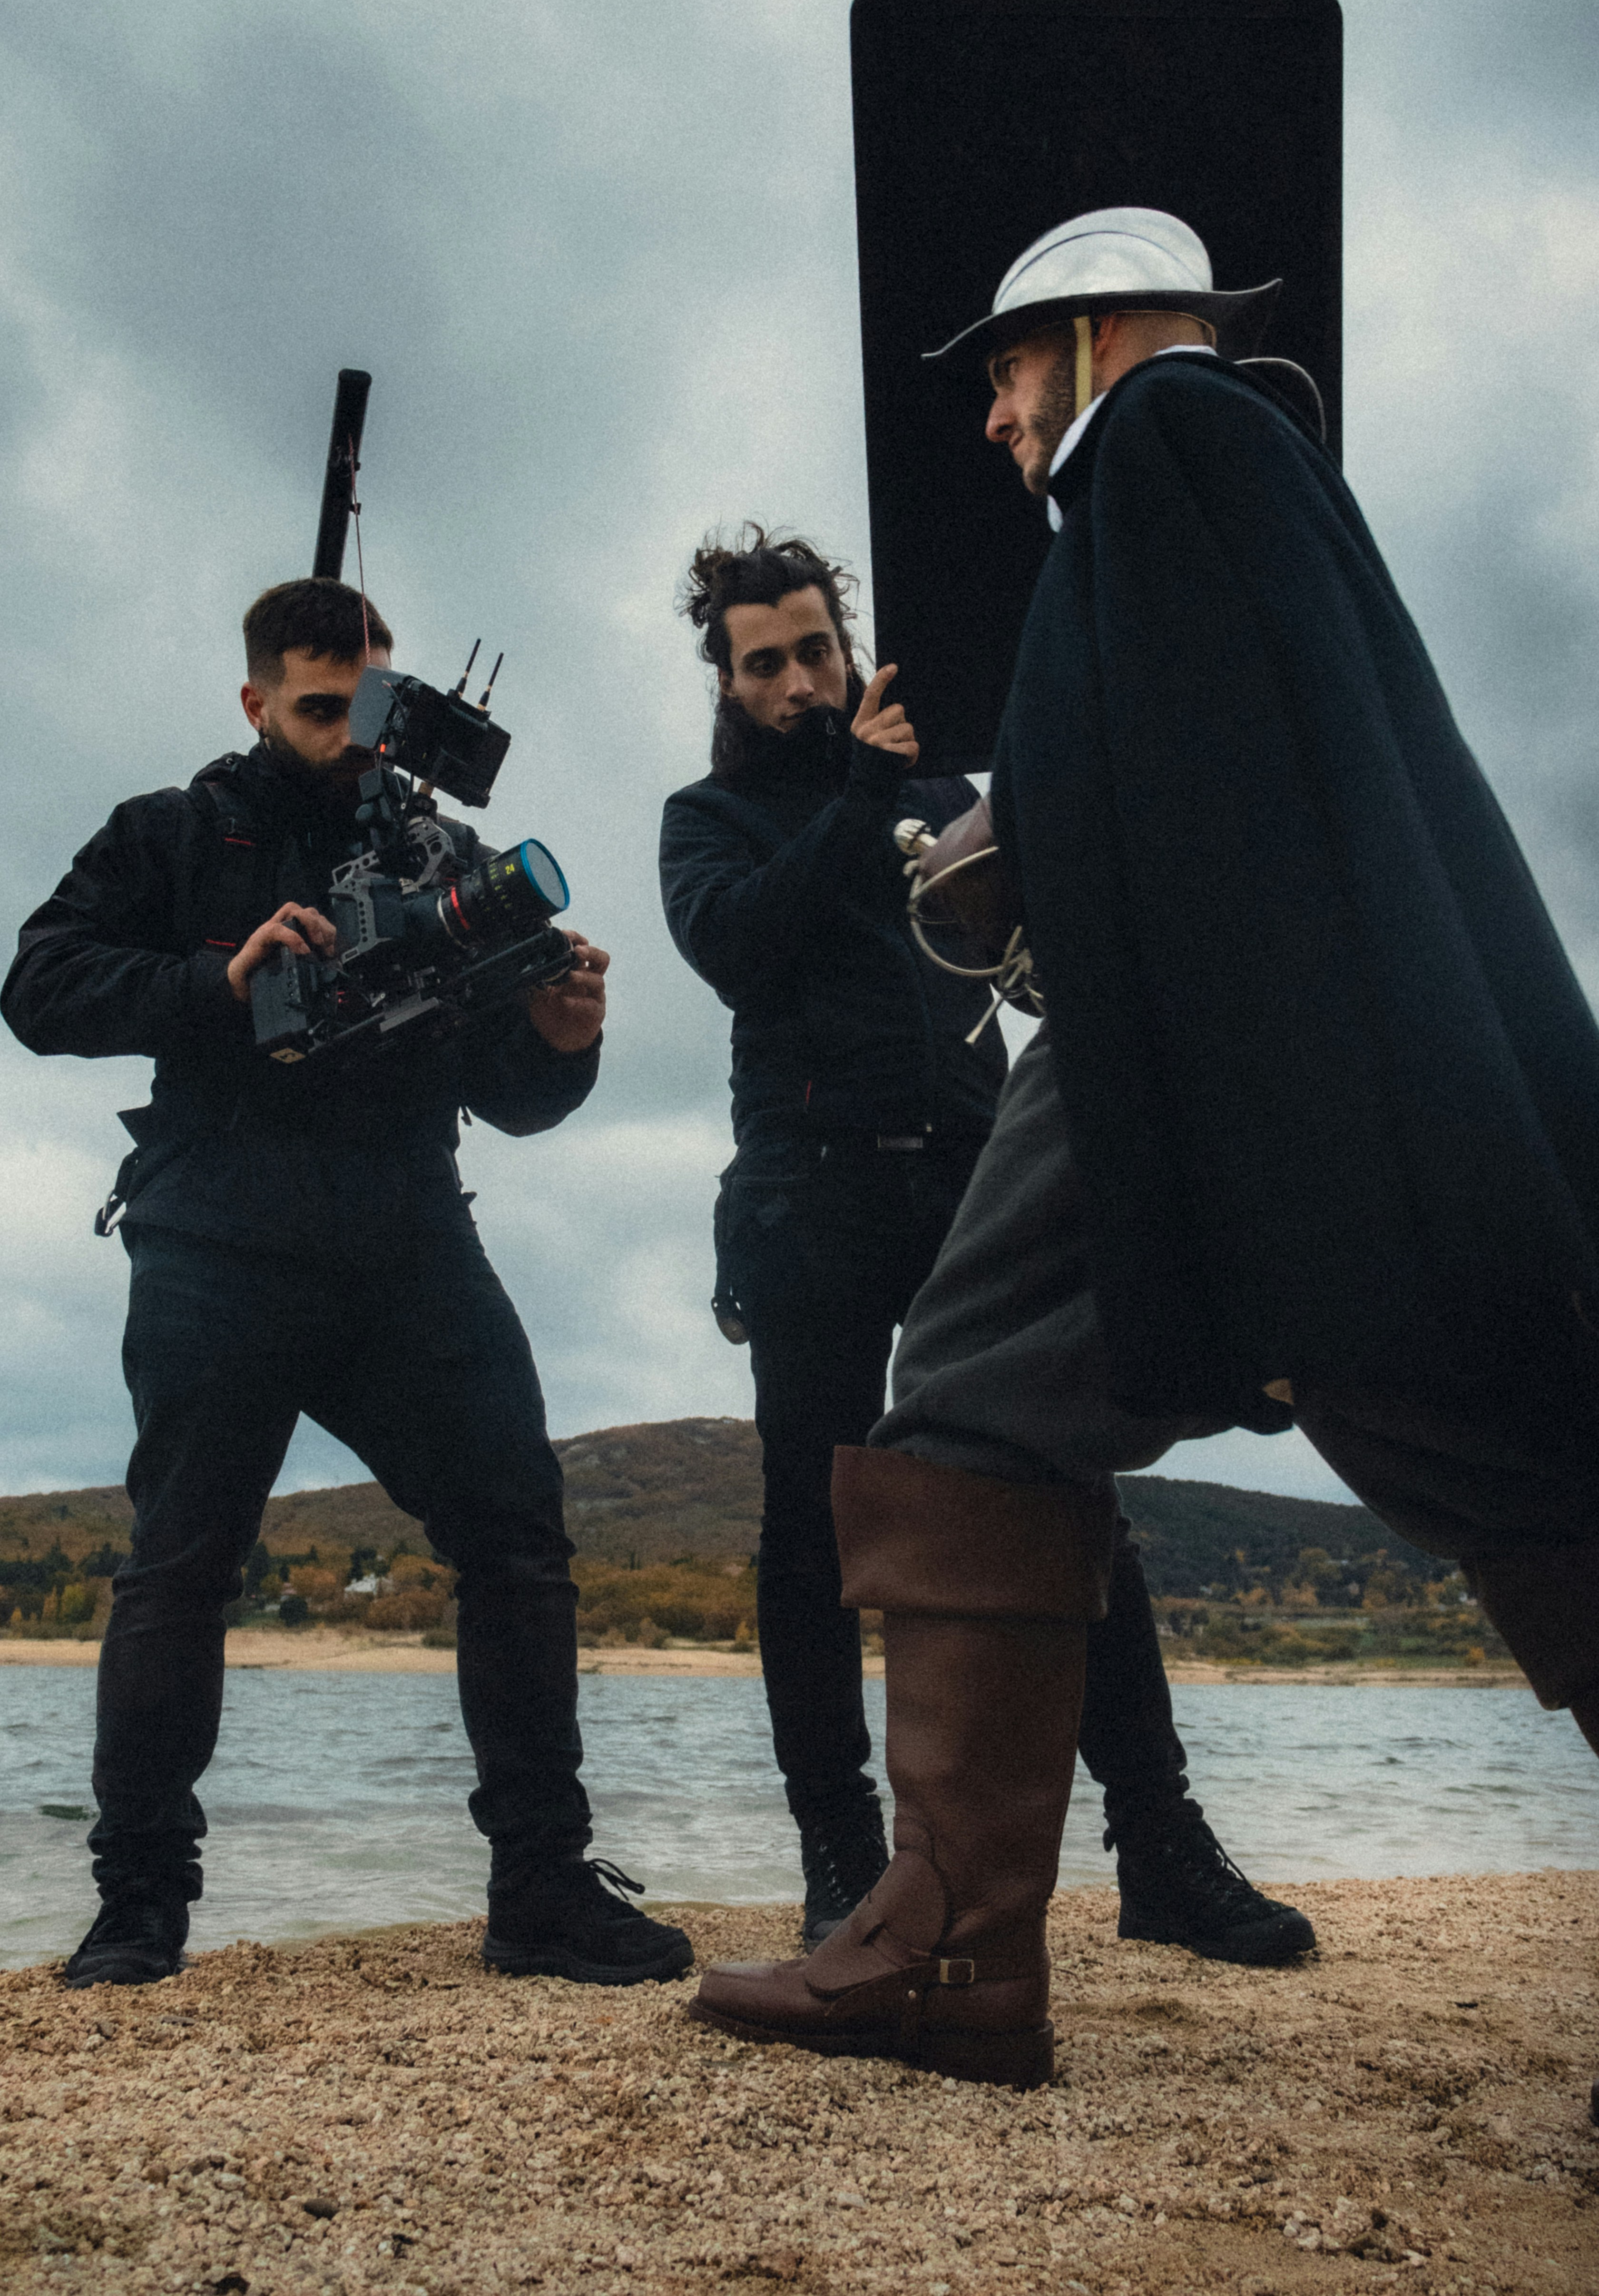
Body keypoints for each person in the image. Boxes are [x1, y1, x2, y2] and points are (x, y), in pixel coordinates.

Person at [688, 207, 1599, 2095]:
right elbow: (1217, 758)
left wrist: (1033, 862)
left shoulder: (1173, 437)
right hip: (1280, 1057)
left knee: (1025, 1393)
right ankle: (953, 1939)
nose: (993, 417)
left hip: (1212, 1052)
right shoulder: (1220, 463)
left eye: (1007, 370)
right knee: (1460, 1445)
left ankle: (949, 1950)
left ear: (1097, 335)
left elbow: (1201, 786)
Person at [2, 576, 693, 1992]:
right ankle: (138, 1906)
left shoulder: (446, 856)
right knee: (181, 1563)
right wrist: (220, 976)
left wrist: (567, 1041)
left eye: (371, 706)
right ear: (256, 701)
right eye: (320, 709)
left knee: (517, 1535)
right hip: (217, 1240)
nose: (354, 735)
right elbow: (39, 986)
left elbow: (514, 1097)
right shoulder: (172, 831)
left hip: (407, 1243)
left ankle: (540, 1888)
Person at [660, 525, 1314, 1961]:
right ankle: (840, 1857)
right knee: (809, 1528)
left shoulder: (944, 791)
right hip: (806, 1195)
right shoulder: (705, 819)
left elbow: (1047, 944)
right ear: (726, 682)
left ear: (851, 648)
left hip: (975, 1178)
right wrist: (862, 793)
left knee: (1063, 1489)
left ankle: (1159, 1844)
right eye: (764, 665)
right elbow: (739, 947)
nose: (797, 683)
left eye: (816, 651)